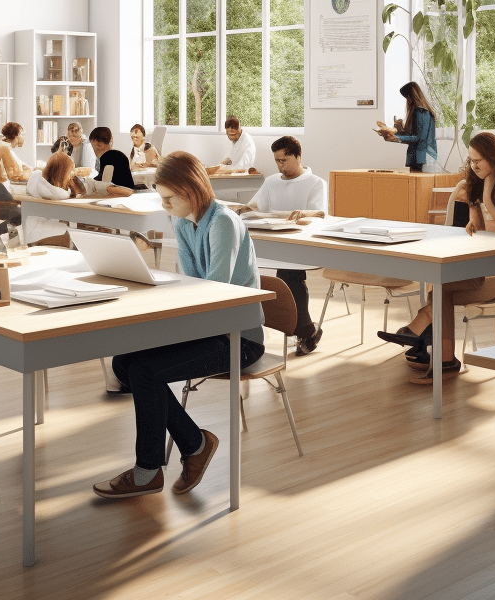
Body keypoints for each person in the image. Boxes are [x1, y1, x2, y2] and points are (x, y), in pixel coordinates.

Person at [92, 151, 266, 500]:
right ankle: (196, 444)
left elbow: (216, 292)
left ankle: (148, 471)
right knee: (124, 363)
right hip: (206, 326)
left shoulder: (223, 222)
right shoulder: (184, 222)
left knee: (143, 369)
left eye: (170, 198)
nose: (165, 205)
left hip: (238, 337)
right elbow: (191, 284)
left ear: (192, 190)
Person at [377, 131, 495, 384]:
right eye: (471, 161)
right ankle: (442, 360)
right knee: (440, 292)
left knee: (440, 294)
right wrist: (473, 214)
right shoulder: (476, 183)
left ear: (494, 158)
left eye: (479, 161)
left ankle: (419, 335)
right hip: (484, 263)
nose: (474, 167)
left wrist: (486, 200)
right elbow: (478, 227)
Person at [243, 135, 327, 356]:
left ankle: (301, 329)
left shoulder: (316, 183)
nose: (280, 165)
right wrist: (244, 209)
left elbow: (319, 216)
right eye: (277, 161)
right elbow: (256, 206)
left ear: (298, 157)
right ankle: (305, 330)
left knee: (288, 273)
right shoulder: (271, 181)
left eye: (284, 160)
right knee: (278, 273)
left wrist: (303, 216)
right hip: (275, 240)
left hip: (302, 244)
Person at [376, 82, 437, 172]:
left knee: (416, 185)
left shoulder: (419, 112)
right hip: (425, 157)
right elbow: (416, 135)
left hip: (420, 158)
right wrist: (398, 132)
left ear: (412, 96)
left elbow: (418, 138)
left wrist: (395, 137)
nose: (407, 101)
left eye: (407, 97)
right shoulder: (426, 112)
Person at [23, 151, 80, 246]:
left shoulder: (36, 178)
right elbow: (67, 193)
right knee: (79, 237)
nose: (72, 174)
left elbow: (38, 173)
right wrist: (71, 185)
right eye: (71, 171)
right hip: (43, 232)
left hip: (30, 227)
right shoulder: (59, 194)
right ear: (63, 173)